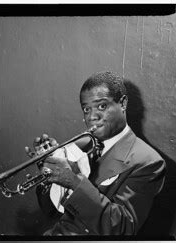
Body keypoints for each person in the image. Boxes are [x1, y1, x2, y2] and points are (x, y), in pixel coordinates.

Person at [25, 71, 166, 236]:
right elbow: (51, 212)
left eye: (102, 106)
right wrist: (50, 176)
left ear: (123, 103)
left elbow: (122, 229)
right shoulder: (79, 146)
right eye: (86, 109)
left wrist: (73, 180)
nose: (92, 117)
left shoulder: (148, 161)